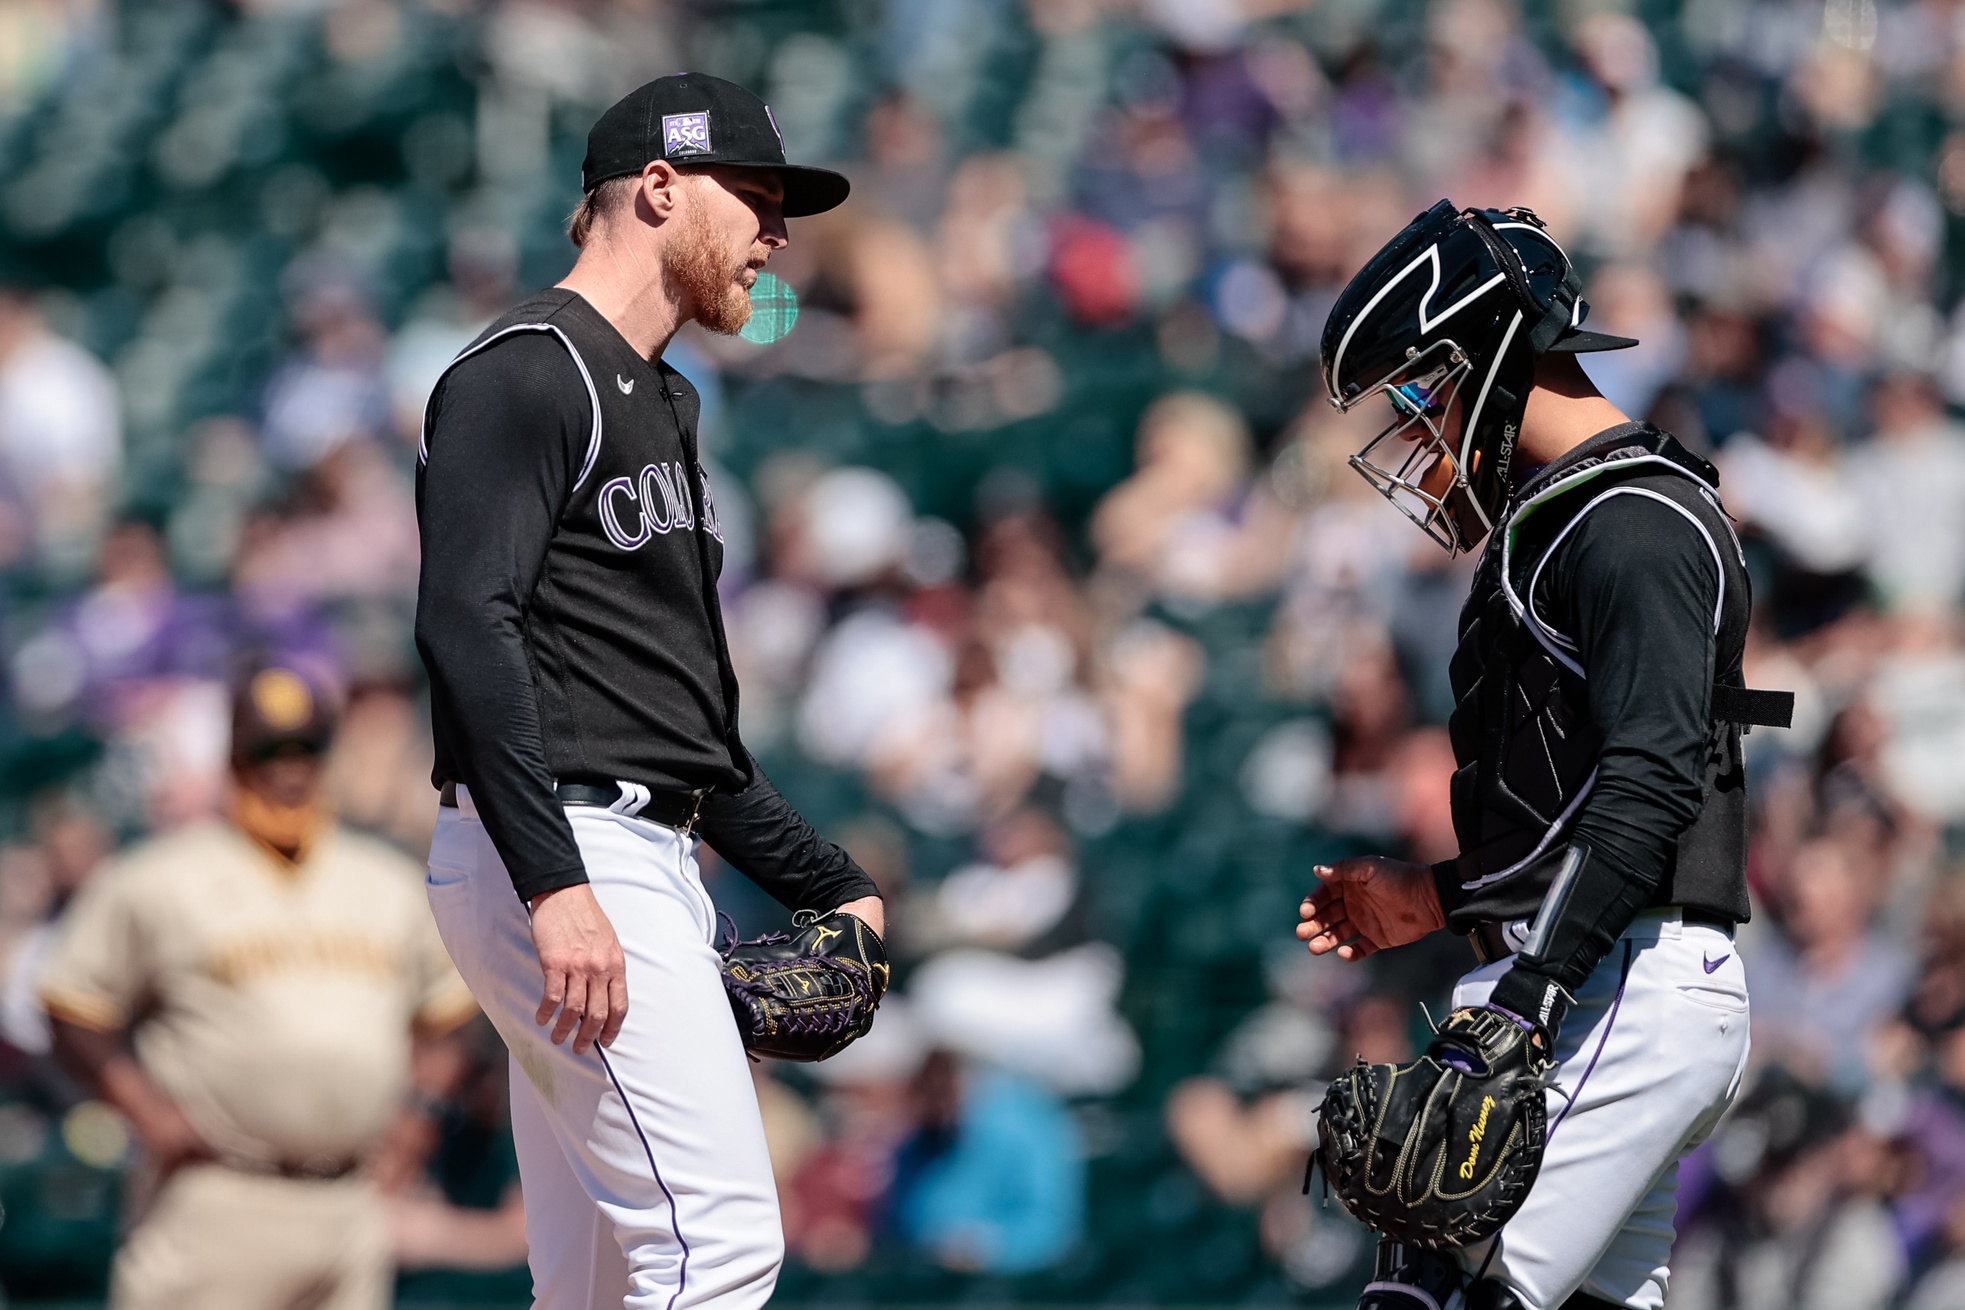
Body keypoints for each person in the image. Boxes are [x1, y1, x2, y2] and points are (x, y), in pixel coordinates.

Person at [413, 72, 883, 1310]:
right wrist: (555, 884)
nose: (779, 236)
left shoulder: (664, 396)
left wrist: (836, 883)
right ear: (661, 188)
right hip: (566, 854)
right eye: (761, 198)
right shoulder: (527, 371)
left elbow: (681, 734)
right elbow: (465, 624)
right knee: (720, 1251)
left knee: (599, 1283)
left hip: (624, 844)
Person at [1296, 201, 1791, 1310]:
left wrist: (1523, 997)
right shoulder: (1566, 516)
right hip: (1589, 978)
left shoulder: (1637, 520)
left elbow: (1650, 785)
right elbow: (1571, 801)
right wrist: (1434, 896)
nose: (1416, 431)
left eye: (1422, 391)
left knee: (1436, 1293)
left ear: (1488, 357)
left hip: (1614, 983)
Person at [38, 664, 477, 1310]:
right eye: (269, 750)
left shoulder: (386, 880)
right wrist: (145, 1110)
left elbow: (453, 1013)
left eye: (306, 749)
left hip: (351, 1201)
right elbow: (72, 1004)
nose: (289, 768)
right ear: (234, 758)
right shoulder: (159, 876)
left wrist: (421, 1120)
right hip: (215, 1195)